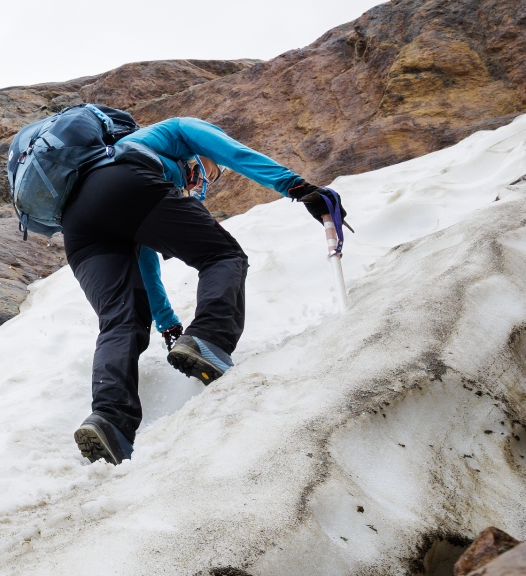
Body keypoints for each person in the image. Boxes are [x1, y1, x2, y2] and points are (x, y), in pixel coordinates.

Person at [65, 116, 336, 465]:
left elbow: (146, 262)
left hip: (77, 223)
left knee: (121, 320)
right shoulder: (181, 129)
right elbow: (235, 153)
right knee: (223, 256)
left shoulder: (111, 160)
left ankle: (109, 421)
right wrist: (297, 187)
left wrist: (168, 325)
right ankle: (209, 338)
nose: (209, 177)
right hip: (125, 186)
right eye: (212, 170)